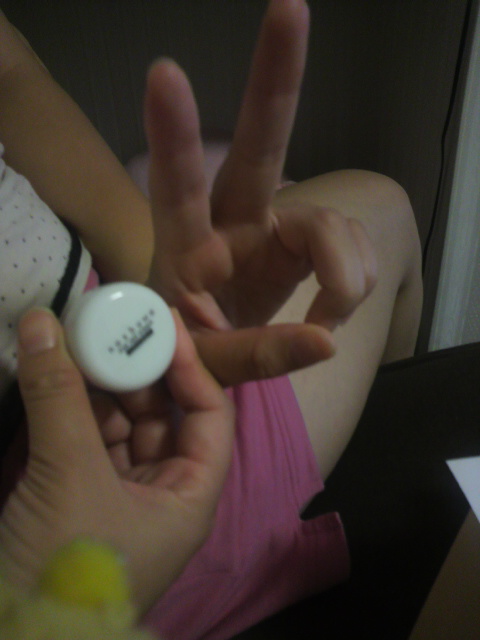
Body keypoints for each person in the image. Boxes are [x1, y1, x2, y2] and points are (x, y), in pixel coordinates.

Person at [0, 1, 423, 638]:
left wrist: (165, 280)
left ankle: (371, 438)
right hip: (60, 553)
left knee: (383, 207)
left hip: (139, 359)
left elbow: (10, 76)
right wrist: (62, 605)